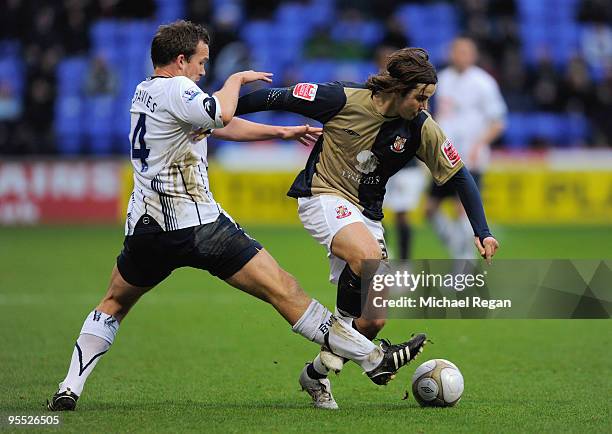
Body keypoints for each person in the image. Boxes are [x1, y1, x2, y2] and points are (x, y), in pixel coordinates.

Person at [46, 21, 428, 412]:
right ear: (180, 60)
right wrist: (236, 79)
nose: (203, 71)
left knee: (113, 303)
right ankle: (372, 358)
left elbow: (211, 126)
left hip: (147, 229)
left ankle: (69, 388)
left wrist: (278, 134)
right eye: (200, 61)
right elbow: (222, 112)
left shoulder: (144, 92)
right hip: (201, 227)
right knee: (285, 291)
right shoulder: (180, 87)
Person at [236, 47, 500, 409]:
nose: (425, 106)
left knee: (371, 320)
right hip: (322, 195)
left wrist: (482, 230)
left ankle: (316, 375)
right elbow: (274, 96)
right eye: (420, 98)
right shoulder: (341, 97)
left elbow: (460, 176)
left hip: (367, 215)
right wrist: (214, 113)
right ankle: (376, 361)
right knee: (369, 257)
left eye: (429, 99)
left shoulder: (421, 128)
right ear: (397, 89)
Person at [427, 37, 507, 259]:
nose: (461, 56)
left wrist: (478, 145)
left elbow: (498, 122)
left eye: (465, 52)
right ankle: (457, 247)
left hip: (470, 158)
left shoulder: (484, 83)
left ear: (473, 55)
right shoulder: (441, 80)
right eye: (457, 51)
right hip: (443, 157)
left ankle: (463, 266)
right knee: (430, 209)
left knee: (462, 210)